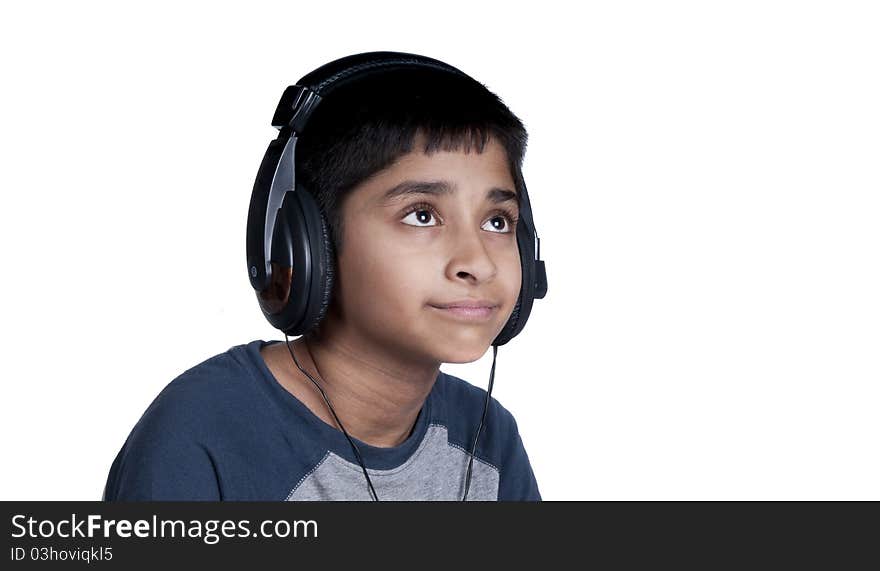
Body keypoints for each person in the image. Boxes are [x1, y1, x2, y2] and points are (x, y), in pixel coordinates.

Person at [103, 52, 545, 501]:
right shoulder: (201, 434)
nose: (479, 262)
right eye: (422, 214)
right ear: (310, 246)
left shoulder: (488, 442)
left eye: (497, 221)